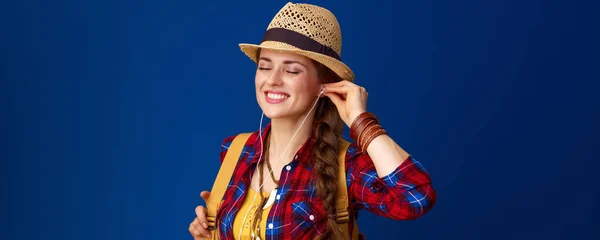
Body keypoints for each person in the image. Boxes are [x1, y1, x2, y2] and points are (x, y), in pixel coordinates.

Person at [189, 2, 436, 240]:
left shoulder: (346, 166)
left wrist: (361, 121)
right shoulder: (235, 151)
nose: (273, 80)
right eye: (265, 67)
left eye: (292, 70)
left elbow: (414, 198)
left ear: (323, 84)